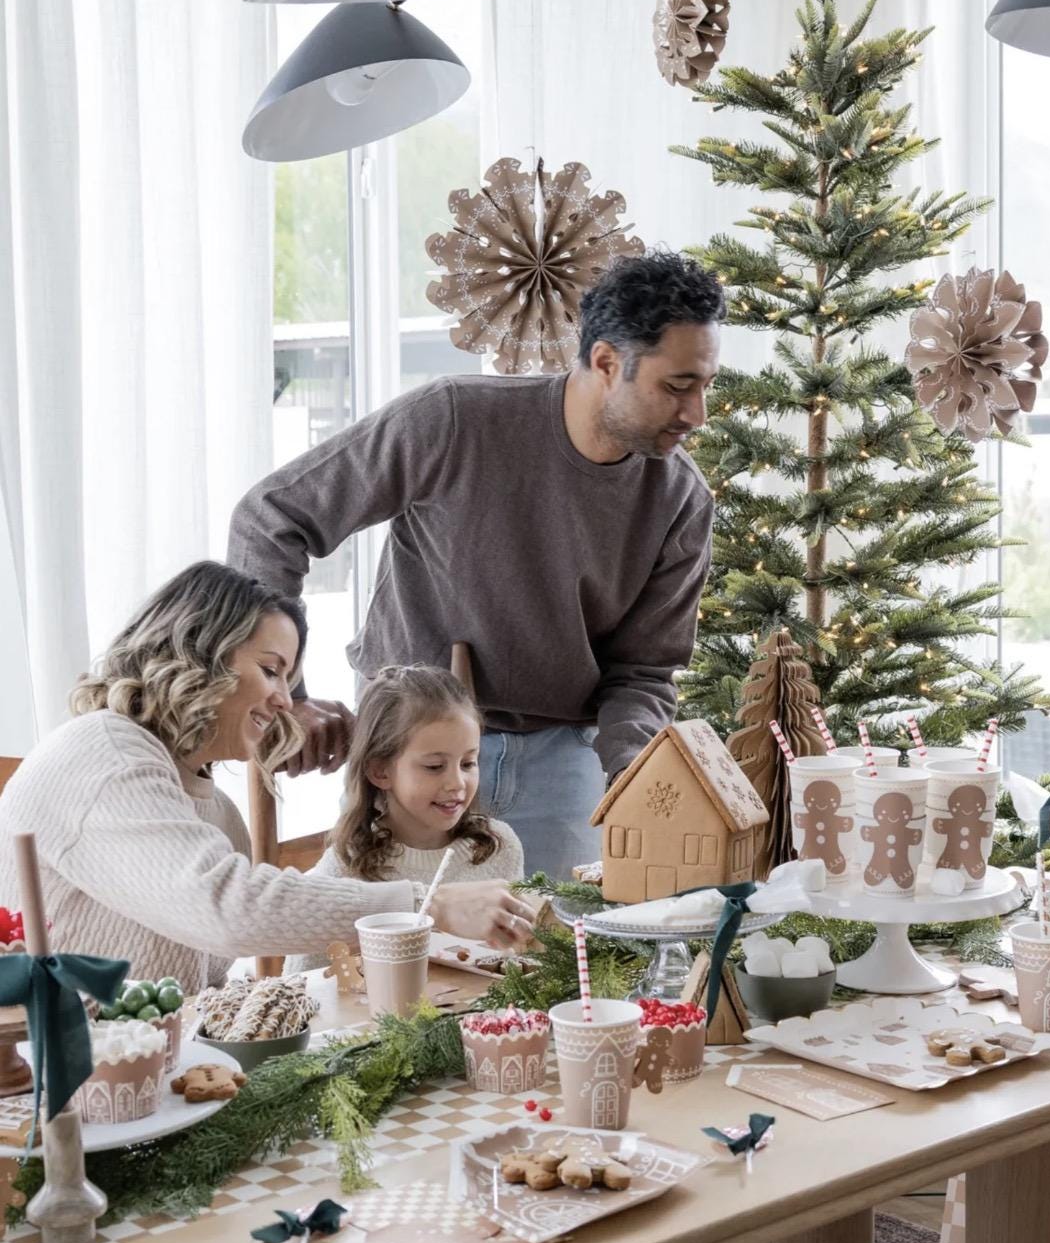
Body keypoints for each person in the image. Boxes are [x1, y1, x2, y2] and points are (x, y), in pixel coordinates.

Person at [228, 249, 724, 880]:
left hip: (566, 760)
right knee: (390, 966)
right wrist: (287, 692)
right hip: (414, 752)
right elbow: (271, 518)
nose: (696, 414)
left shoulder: (681, 499)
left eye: (705, 385)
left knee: (556, 968)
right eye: (677, 387)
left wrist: (634, 777)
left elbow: (645, 670)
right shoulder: (454, 420)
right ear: (606, 362)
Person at [0, 563, 534, 986]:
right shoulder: (104, 752)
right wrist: (427, 907)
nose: (284, 699)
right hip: (46, 1091)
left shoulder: (216, 810)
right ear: (199, 651)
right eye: (271, 669)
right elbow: (227, 909)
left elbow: (206, 977)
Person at [288, 664, 524, 971]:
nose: (457, 783)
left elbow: (518, 960)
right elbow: (302, 984)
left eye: (468, 763)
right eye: (434, 766)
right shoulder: (345, 869)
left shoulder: (500, 847)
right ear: (380, 771)